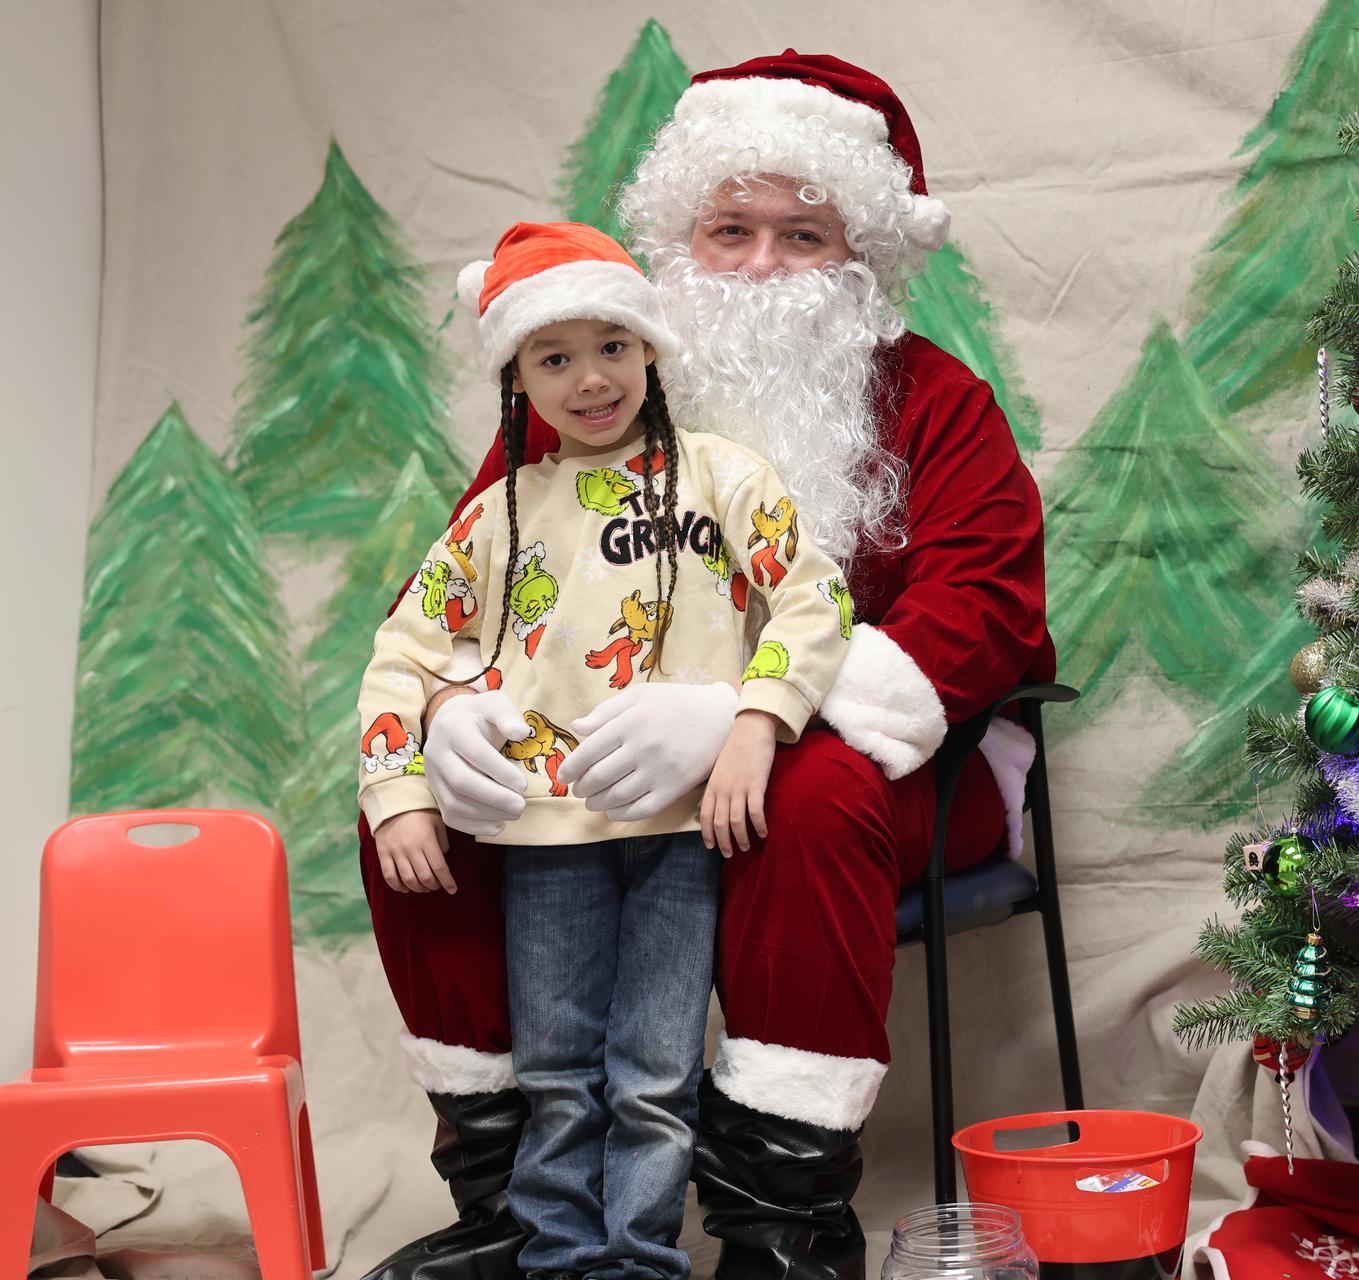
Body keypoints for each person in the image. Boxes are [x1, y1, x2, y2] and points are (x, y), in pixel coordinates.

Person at [358, 53, 1053, 1280]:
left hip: (881, 774)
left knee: (807, 800)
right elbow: (465, 585)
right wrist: (457, 706)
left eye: (805, 232)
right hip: (607, 758)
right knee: (418, 804)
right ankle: (520, 1206)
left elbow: (985, 605)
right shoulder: (591, 391)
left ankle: (778, 1225)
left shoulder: (940, 403)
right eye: (730, 229)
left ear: (865, 255)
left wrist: (753, 713)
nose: (764, 265)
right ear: (679, 238)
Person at [357, 219, 848, 1280]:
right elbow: (404, 647)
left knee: (656, 1070)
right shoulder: (499, 514)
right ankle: (555, 1255)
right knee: (559, 1070)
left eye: (611, 346)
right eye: (554, 356)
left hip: (677, 836)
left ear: (651, 348)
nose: (590, 379)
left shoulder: (722, 478)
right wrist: (398, 788)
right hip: (548, 837)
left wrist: (754, 721)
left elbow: (816, 599)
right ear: (518, 375)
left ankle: (636, 1259)